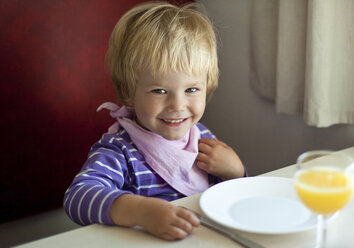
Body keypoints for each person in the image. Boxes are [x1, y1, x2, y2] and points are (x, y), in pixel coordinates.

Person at [64, 1, 246, 241]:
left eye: (191, 89)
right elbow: (78, 197)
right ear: (129, 91)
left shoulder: (203, 138)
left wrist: (235, 173)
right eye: (159, 91)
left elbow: (233, 201)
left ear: (207, 86)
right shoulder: (120, 151)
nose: (177, 106)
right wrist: (141, 212)